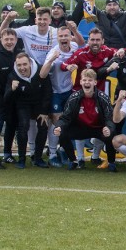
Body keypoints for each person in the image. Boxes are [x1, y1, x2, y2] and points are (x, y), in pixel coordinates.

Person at [53, 69, 117, 171]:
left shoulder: (103, 98)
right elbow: (65, 118)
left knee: (111, 135)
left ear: (95, 82)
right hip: (80, 128)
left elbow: (110, 118)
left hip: (98, 128)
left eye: (90, 80)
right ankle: (73, 161)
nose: (87, 82)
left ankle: (111, 163)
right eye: (85, 80)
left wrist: (109, 128)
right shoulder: (74, 98)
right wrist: (58, 126)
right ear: (80, 82)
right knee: (62, 133)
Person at [39, 26, 80, 167]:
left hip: (70, 90)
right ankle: (52, 154)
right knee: (57, 121)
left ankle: (63, 150)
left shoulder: (74, 46)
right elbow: (42, 74)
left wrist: (75, 30)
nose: (63, 38)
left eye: (66, 36)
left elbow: (82, 44)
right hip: (56, 92)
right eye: (60, 36)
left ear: (70, 37)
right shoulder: (53, 52)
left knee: (69, 121)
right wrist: (51, 60)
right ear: (57, 38)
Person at [3, 52, 52, 168]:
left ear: (30, 63)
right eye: (19, 65)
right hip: (23, 104)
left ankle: (38, 158)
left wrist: (44, 111)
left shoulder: (40, 70)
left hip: (39, 103)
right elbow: (6, 98)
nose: (22, 68)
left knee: (43, 125)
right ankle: (22, 159)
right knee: (23, 126)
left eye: (24, 64)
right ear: (16, 64)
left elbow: (48, 91)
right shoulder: (12, 75)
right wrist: (12, 89)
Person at [61, 28, 119, 92]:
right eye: (92, 40)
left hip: (98, 93)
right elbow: (63, 65)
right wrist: (68, 67)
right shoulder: (80, 54)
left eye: (98, 40)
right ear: (88, 41)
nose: (95, 42)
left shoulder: (106, 51)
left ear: (102, 41)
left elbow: (122, 52)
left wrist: (121, 50)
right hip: (81, 91)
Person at [0, 28, 20, 167]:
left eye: (11, 39)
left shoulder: (19, 55)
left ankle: (7, 154)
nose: (9, 42)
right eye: (6, 39)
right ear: (1, 39)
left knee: (12, 125)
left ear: (16, 40)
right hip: (0, 97)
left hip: (14, 98)